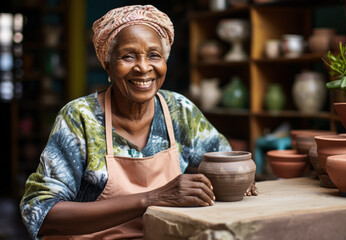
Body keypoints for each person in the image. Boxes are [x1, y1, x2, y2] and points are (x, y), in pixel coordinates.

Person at [20, 5, 257, 240]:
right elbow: (39, 214)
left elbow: (224, 162)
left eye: (154, 55)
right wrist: (150, 198)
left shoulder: (178, 110)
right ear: (107, 64)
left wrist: (238, 180)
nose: (143, 68)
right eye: (128, 56)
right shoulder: (80, 118)